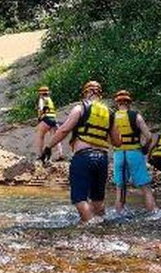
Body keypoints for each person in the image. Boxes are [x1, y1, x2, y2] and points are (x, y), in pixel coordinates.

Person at [47, 80, 113, 224]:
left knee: (79, 198)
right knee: (97, 199)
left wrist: (48, 147)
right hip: (102, 158)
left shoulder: (80, 108)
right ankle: (102, 226)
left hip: (83, 157)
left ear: (86, 93)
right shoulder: (110, 112)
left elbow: (64, 130)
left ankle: (91, 228)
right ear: (100, 94)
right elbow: (117, 141)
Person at [110, 90, 156, 214]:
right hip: (134, 152)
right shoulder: (136, 116)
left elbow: (110, 138)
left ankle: (118, 215)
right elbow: (149, 136)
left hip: (119, 154)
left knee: (120, 188)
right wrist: (145, 148)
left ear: (117, 103)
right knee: (145, 188)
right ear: (129, 103)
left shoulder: (112, 117)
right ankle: (153, 215)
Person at [35, 86, 59, 165]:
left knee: (40, 135)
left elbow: (42, 109)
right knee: (54, 137)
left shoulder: (41, 100)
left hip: (46, 119)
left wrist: (40, 117)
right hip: (53, 119)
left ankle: (40, 154)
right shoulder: (49, 100)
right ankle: (59, 154)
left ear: (40, 93)